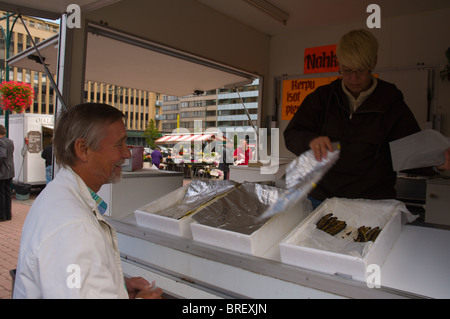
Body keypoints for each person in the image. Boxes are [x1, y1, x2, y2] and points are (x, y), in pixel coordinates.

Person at [284, 29, 450, 209]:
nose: (353, 78)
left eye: (361, 70)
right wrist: (310, 141)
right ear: (339, 64)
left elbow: (411, 151)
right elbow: (292, 134)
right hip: (323, 199)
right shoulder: (322, 98)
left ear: (374, 63)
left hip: (373, 202)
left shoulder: (390, 102)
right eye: (347, 70)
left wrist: (436, 162)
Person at [14, 103, 163, 299]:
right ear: (83, 149)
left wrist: (118, 287)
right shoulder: (75, 229)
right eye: (119, 144)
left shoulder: (60, 197)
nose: (127, 153)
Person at [0, 125, 14, 221]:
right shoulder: (10, 141)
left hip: (2, 172)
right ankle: (8, 214)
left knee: (1, 194)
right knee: (7, 193)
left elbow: (2, 156)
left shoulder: (0, 142)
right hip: (10, 171)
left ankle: (2, 216)